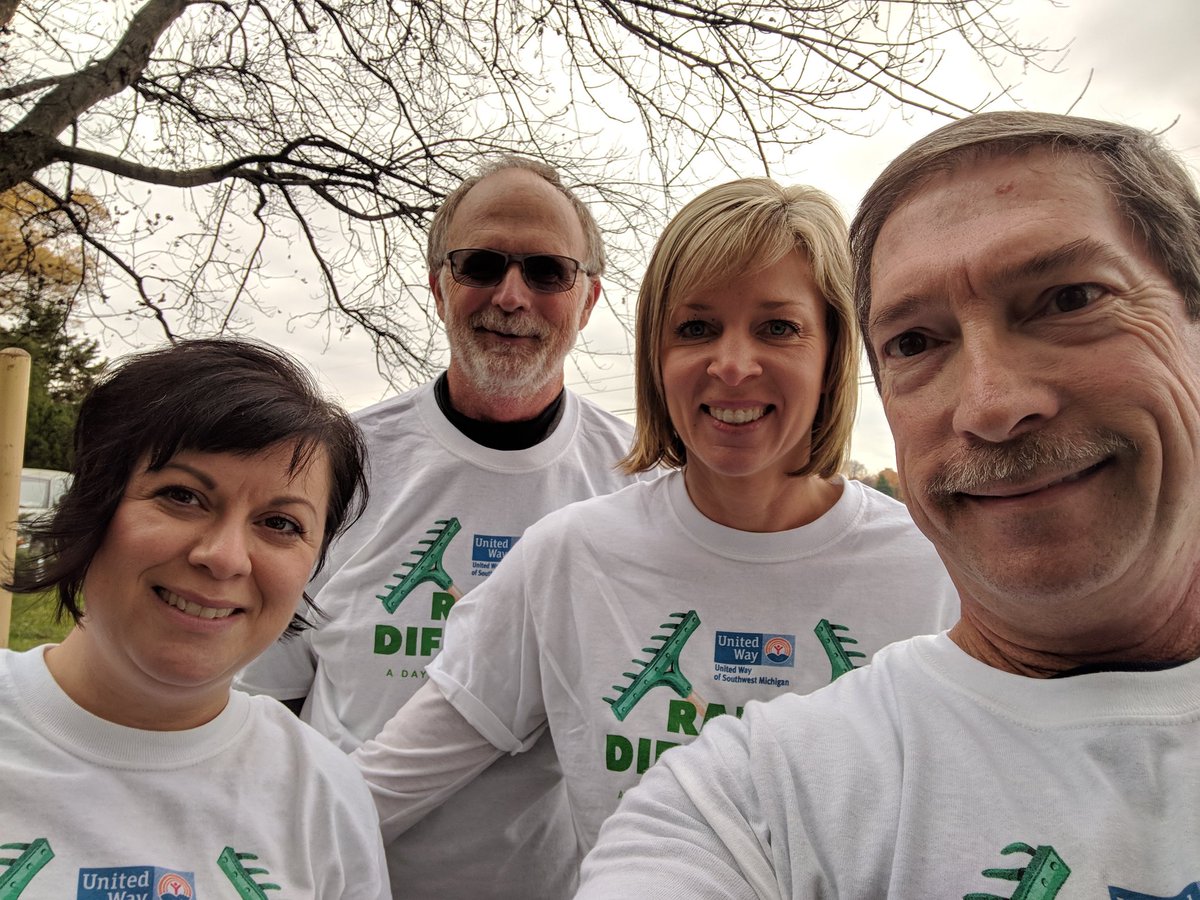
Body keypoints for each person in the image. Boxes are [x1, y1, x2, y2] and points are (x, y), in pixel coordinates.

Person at [575, 111, 1200, 899]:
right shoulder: (750, 804)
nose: (991, 403)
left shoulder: (898, 554)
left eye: (1069, 298)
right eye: (914, 341)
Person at [353, 177, 958, 893]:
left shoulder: (938, 568)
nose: (732, 365)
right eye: (696, 328)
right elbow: (382, 787)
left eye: (778, 327)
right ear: (654, 355)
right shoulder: (570, 557)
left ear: (833, 350)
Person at [236, 156, 648, 899]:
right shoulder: (335, 468)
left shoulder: (639, 483)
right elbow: (264, 701)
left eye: (548, 272)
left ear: (587, 300)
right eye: (481, 265)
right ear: (438, 287)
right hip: (338, 878)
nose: (511, 297)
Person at [0, 338, 389, 898]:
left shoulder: (323, 795)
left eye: (280, 523)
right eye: (182, 496)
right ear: (93, 506)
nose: (226, 557)